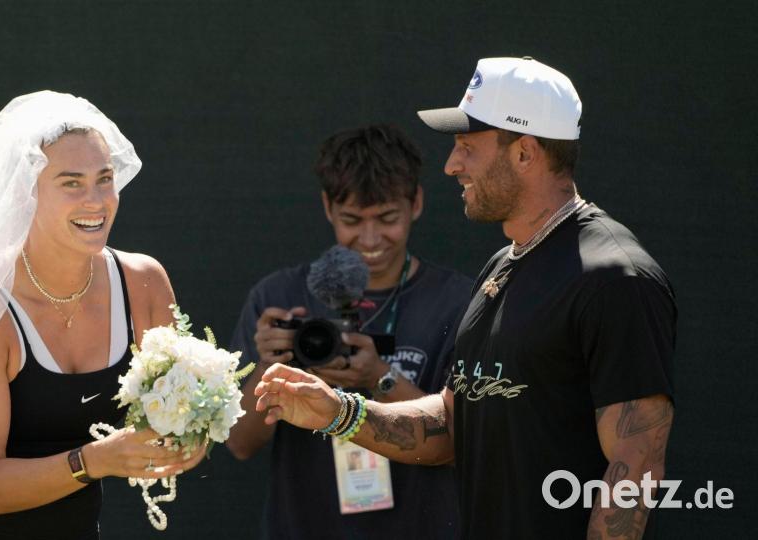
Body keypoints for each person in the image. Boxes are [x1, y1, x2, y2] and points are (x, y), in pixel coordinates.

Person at [253, 57, 676, 540]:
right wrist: (338, 411)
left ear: (525, 153)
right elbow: (454, 424)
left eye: (467, 147)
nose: (451, 165)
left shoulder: (615, 278)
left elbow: (636, 467)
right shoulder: (502, 267)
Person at [0, 91, 204, 539]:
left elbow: (179, 416)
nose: (97, 200)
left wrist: (189, 433)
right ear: (24, 194)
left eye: (105, 179)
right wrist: (94, 460)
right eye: (72, 183)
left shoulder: (144, 283)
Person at [226, 125, 472, 539]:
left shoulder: (458, 302)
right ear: (328, 207)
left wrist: (379, 377)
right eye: (352, 220)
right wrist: (270, 365)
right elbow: (239, 443)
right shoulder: (279, 298)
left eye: (387, 218)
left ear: (415, 203)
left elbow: (461, 445)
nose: (370, 239)